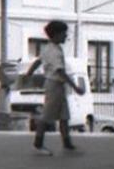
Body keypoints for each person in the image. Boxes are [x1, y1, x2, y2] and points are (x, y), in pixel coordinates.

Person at [23, 20, 84, 156]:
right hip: (54, 85)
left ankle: (67, 143)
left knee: (64, 116)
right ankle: (38, 144)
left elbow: (38, 61)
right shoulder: (54, 51)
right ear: (56, 34)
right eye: (63, 33)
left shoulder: (49, 48)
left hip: (57, 85)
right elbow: (60, 71)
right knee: (47, 115)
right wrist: (75, 87)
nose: (65, 36)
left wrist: (29, 74)